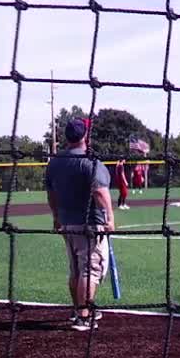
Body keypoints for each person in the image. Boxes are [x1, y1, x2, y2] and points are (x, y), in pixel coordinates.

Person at [44, 117, 116, 332]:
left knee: (76, 268)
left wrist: (56, 216)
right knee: (90, 271)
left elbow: (51, 193)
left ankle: (79, 309)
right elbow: (100, 192)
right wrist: (110, 219)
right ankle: (84, 317)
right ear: (85, 136)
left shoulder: (55, 162)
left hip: (67, 223)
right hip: (90, 225)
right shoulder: (91, 161)